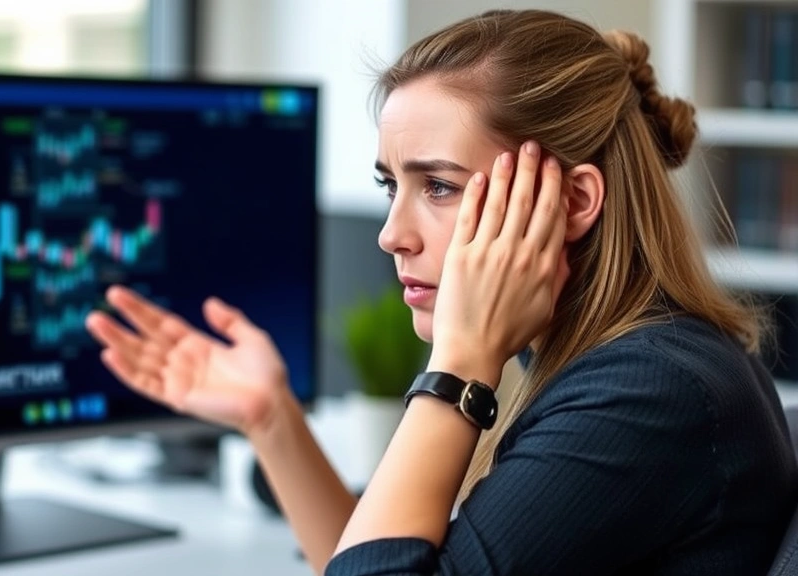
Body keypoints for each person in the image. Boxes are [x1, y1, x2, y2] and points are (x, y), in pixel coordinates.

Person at [85, 8, 798, 575]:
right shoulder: (617, 365)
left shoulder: (652, 392)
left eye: (438, 186)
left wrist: (460, 362)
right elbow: (381, 556)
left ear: (574, 202)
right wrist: (271, 419)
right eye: (390, 186)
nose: (392, 234)